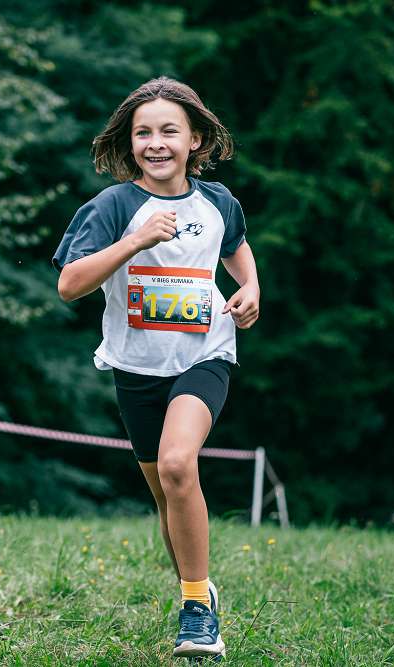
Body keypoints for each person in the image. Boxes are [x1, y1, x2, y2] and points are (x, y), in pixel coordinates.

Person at [52, 77, 260, 659]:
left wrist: (251, 288)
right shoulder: (113, 206)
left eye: (170, 131)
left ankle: (196, 611)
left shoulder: (218, 202)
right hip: (137, 368)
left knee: (176, 463)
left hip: (204, 355)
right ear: (130, 142)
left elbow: (236, 246)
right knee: (168, 494)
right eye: (143, 133)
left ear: (195, 140)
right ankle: (199, 589)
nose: (156, 142)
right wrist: (135, 241)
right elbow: (70, 284)